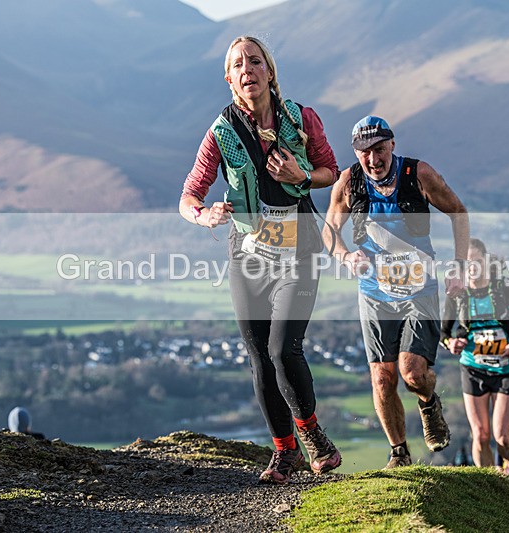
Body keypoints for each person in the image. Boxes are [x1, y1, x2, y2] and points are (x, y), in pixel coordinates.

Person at [179, 36, 341, 484]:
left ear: (269, 71)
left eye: (254, 61)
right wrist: (204, 214)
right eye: (238, 65)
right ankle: (284, 452)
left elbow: (331, 171)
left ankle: (312, 435)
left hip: (298, 248)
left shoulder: (301, 118)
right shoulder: (221, 132)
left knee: (282, 349)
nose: (247, 69)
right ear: (229, 79)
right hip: (248, 255)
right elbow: (189, 195)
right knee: (259, 357)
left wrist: (301, 175)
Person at [324, 115, 469, 468]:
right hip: (375, 293)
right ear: (356, 153)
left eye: (379, 149)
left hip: (419, 290)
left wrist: (460, 266)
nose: (373, 159)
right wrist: (346, 256)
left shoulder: (418, 175)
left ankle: (428, 402)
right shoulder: (349, 183)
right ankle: (399, 453)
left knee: (413, 373)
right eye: (365, 152)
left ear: (392, 144)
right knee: (382, 377)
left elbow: (458, 212)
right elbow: (329, 230)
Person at [441, 238, 509, 473]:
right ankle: (486, 480)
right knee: (481, 435)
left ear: (485, 262)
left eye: (476, 261)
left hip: (506, 369)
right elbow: (443, 332)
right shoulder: (458, 294)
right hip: (473, 368)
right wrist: (451, 342)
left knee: (502, 436)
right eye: (466, 263)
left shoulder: (504, 290)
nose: (472, 268)